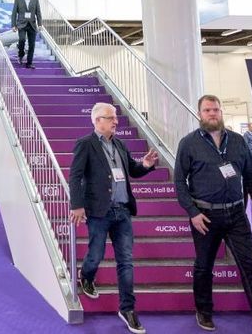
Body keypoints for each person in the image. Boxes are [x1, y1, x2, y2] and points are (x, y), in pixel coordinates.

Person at [174, 95, 252, 334]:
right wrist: (192, 212)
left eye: (215, 109)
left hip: (236, 215)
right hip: (205, 217)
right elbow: (179, 182)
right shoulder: (188, 143)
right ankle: (204, 311)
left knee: (251, 269)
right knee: (204, 266)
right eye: (207, 110)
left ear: (221, 112)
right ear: (200, 114)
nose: (212, 113)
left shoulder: (237, 141)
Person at [69, 102, 159, 334]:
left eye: (116, 117)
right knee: (96, 254)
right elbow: (75, 176)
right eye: (111, 118)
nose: (116, 121)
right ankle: (86, 275)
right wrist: (77, 205)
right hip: (99, 211)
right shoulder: (85, 144)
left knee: (126, 261)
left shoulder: (120, 144)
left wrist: (145, 165)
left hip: (123, 211)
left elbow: (132, 171)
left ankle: (127, 309)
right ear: (98, 120)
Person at [10, 0, 42, 69]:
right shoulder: (18, 0)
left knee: (32, 44)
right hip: (21, 25)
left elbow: (38, 13)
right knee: (22, 39)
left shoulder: (35, 0)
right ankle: (21, 54)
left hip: (32, 25)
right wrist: (13, 25)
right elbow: (14, 14)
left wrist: (40, 24)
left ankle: (29, 63)